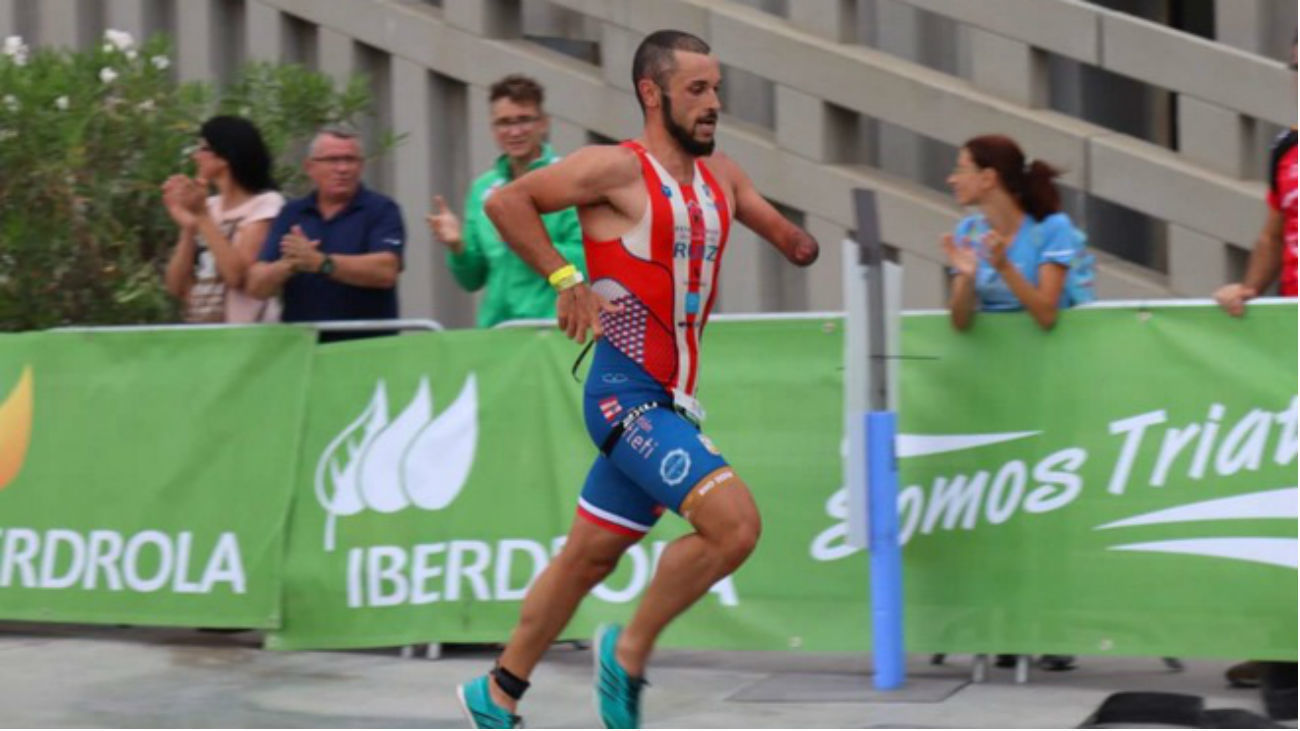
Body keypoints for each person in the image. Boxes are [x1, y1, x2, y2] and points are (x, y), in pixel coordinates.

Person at [455, 29, 819, 730]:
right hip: (624, 397)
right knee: (735, 525)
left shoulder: (724, 179)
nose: (714, 103)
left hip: (672, 403)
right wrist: (568, 279)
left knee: (584, 559)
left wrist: (808, 242)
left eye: (717, 90)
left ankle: (495, 693)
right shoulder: (614, 170)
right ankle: (628, 649)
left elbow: (794, 242)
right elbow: (507, 203)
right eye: (697, 90)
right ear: (652, 93)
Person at [427, 74, 585, 327]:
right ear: (492, 128)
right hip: (497, 333)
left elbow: (587, 263)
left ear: (544, 123)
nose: (514, 131)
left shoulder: (568, 179)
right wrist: (457, 247)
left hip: (554, 331)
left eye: (524, 120)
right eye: (503, 122)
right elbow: (472, 280)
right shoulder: (482, 189)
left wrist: (524, 241)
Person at [246, 126, 404, 342]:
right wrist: (288, 266)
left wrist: (323, 263)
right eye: (332, 160)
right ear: (310, 167)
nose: (343, 168)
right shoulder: (292, 212)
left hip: (366, 349)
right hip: (304, 350)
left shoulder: (381, 209)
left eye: (350, 160)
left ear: (361, 166)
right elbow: (256, 286)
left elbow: (386, 270)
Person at [941, 134, 1091, 332]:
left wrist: (1005, 268)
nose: (951, 179)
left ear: (988, 178)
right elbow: (959, 323)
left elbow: (1047, 316)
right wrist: (966, 279)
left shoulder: (1051, 228)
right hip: (997, 359)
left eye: (961, 170)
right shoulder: (968, 231)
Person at [162, 115, 284, 323]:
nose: (196, 156)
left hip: (248, 341)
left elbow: (236, 276)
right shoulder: (209, 206)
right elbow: (175, 286)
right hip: (205, 336)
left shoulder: (266, 204)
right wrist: (189, 227)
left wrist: (201, 215)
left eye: (203, 148)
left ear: (225, 155)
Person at [1213, 47, 1296, 317]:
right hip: (1291, 321)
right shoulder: (1286, 146)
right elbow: (1272, 237)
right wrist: (1248, 291)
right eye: (1297, 69)